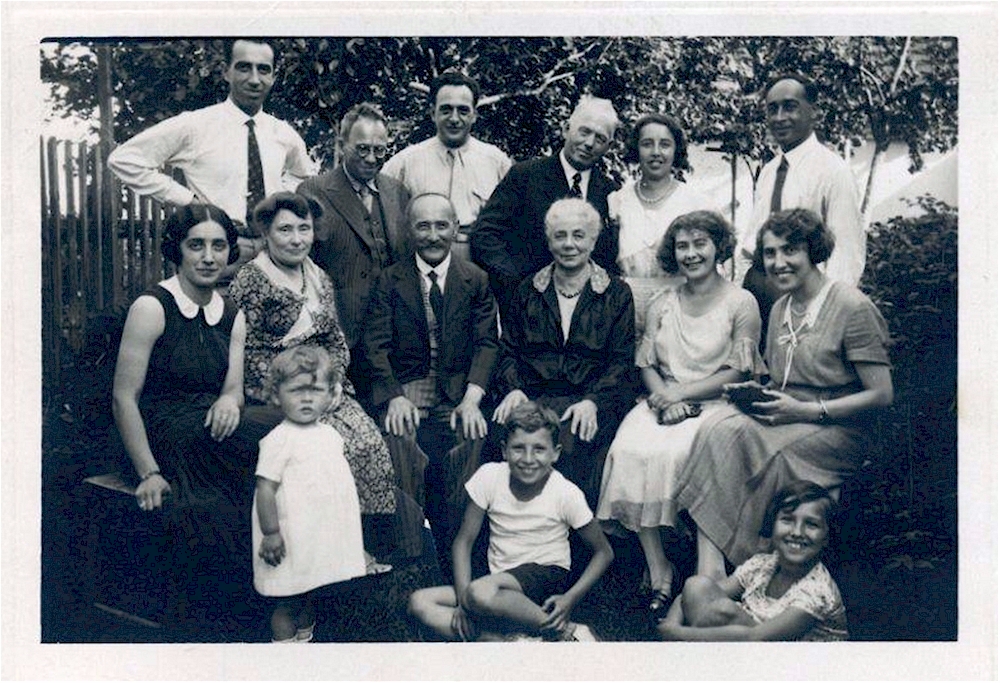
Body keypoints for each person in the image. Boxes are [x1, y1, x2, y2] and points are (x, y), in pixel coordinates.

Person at [674, 208, 893, 579]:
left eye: (789, 251)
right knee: (717, 429)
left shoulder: (852, 307)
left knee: (768, 455)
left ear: (813, 251)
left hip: (840, 430)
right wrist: (754, 393)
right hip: (787, 416)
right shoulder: (780, 308)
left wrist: (808, 411)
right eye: (770, 253)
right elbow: (782, 381)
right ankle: (709, 571)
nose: (778, 262)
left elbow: (881, 395)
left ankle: (755, 568)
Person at [228, 192, 415, 564]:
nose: (297, 239)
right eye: (285, 230)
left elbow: (334, 338)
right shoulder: (251, 279)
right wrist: (287, 387)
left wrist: (333, 385)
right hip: (275, 388)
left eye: (304, 229)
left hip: (325, 385)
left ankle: (357, 542)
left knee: (367, 442)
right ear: (266, 233)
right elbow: (240, 348)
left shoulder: (318, 277)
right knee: (329, 447)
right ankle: (324, 550)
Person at [595, 211, 764, 615]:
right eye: (682, 246)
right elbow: (646, 363)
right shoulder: (663, 303)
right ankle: (659, 570)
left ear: (719, 247)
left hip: (718, 403)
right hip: (663, 399)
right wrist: (662, 398)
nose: (691, 254)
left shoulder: (742, 302)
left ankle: (709, 564)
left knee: (679, 454)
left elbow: (738, 370)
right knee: (631, 451)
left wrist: (680, 396)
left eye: (700, 244)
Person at [110, 202, 261, 614]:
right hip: (163, 433)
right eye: (196, 245)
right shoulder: (153, 306)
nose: (209, 257)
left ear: (231, 252)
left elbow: (233, 387)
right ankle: (209, 619)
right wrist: (149, 473)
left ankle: (275, 603)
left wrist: (231, 399)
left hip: (210, 428)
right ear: (176, 250)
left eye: (218, 246)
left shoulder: (231, 313)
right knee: (211, 507)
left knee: (276, 452)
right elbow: (124, 398)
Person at [362, 193, 499, 579]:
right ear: (410, 230)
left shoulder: (475, 279)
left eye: (442, 225)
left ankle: (463, 541)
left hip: (458, 390)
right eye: (423, 225)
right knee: (400, 439)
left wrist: (473, 398)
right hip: (410, 387)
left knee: (471, 438)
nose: (433, 235)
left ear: (456, 229)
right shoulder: (389, 279)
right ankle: (412, 550)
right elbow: (374, 345)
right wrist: (392, 397)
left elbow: (488, 343)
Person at [108, 39, 316, 279]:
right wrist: (189, 200)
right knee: (217, 315)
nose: (255, 79)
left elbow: (302, 175)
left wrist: (279, 199)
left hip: (273, 251)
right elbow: (124, 159)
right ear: (226, 71)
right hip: (219, 248)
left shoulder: (282, 132)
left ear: (273, 77)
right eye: (244, 67)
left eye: (263, 69)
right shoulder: (196, 125)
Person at [407, 402, 613, 642]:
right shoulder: (489, 476)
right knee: (419, 602)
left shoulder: (565, 493)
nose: (527, 458)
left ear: (555, 453)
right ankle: (506, 640)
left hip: (544, 576)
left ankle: (566, 631)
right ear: (504, 450)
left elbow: (603, 552)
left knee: (480, 593)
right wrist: (465, 603)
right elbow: (463, 541)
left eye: (539, 449)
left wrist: (570, 599)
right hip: (498, 584)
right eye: (518, 448)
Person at [491, 198, 636, 506]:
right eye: (560, 236)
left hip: (588, 402)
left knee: (572, 441)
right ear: (549, 240)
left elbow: (621, 362)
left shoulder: (616, 293)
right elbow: (508, 350)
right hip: (534, 398)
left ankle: (574, 545)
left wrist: (593, 402)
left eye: (578, 235)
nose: (569, 244)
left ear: (594, 240)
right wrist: (513, 389)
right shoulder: (528, 289)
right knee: (505, 439)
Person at [470, 96, 621, 320]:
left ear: (608, 147)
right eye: (584, 132)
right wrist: (518, 283)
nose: (589, 143)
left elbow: (610, 257)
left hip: (587, 318)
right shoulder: (525, 176)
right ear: (565, 129)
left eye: (600, 138)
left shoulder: (610, 192)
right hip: (526, 312)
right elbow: (485, 235)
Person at [736, 73, 864, 337]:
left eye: (790, 107)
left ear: (812, 111)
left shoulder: (833, 171)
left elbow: (847, 252)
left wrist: (825, 313)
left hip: (802, 292)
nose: (780, 117)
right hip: (757, 288)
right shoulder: (770, 170)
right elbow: (754, 237)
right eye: (773, 109)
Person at [253, 346, 367, 643]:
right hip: (287, 535)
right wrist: (271, 533)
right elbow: (265, 488)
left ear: (330, 396)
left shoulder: (329, 435)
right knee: (288, 599)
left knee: (308, 592)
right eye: (296, 391)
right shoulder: (280, 439)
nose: (306, 398)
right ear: (277, 396)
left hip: (313, 535)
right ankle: (286, 654)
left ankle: (305, 644)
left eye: (315, 391)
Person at [658, 481, 848, 641]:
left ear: (826, 538)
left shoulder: (817, 591)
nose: (797, 532)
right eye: (787, 520)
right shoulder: (763, 565)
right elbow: (686, 595)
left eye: (811, 524)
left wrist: (679, 634)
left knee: (723, 610)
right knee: (697, 585)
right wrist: (670, 623)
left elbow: (754, 638)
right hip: (755, 643)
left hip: (802, 664)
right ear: (772, 526)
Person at [381, 71, 512, 260]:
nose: (454, 118)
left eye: (463, 110)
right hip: (423, 265)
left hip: (482, 264)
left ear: (474, 115)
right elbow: (380, 217)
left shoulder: (497, 162)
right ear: (432, 113)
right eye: (446, 109)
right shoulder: (405, 162)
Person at [609, 114, 715, 336]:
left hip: (681, 309)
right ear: (636, 150)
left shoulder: (696, 202)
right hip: (625, 313)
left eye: (665, 144)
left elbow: (711, 269)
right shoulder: (618, 200)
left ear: (676, 150)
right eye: (647, 144)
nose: (656, 152)